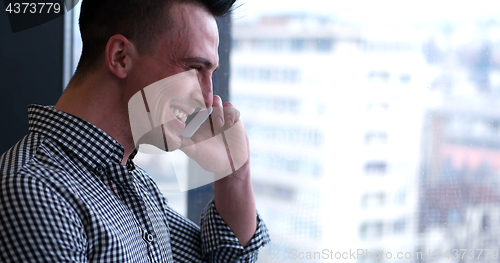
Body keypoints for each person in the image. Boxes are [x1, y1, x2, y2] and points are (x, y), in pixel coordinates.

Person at [0, 0, 270, 262]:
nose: (208, 97)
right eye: (194, 68)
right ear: (121, 57)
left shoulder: (134, 184)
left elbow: (226, 257)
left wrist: (234, 173)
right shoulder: (33, 191)